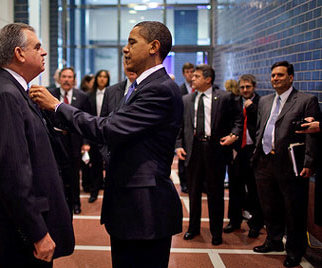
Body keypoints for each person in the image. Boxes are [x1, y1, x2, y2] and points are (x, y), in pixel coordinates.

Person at [30, 21, 183, 268]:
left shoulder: (160, 89)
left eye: (132, 42)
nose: (125, 49)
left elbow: (108, 128)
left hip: (145, 210)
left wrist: (57, 106)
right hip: (129, 207)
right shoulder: (141, 87)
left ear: (154, 47)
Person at [0, 23, 74, 267]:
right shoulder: (6, 95)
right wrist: (38, 233)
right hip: (18, 241)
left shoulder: (14, 91)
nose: (44, 53)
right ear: (19, 53)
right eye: (38, 47)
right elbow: (13, 174)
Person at [252, 61, 320, 267]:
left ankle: (294, 250)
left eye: (280, 75)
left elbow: (312, 136)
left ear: (291, 77)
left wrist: (309, 162)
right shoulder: (264, 101)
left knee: (293, 209)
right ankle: (273, 241)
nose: (275, 79)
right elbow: (259, 129)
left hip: (290, 164)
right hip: (264, 162)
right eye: (273, 75)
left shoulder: (306, 100)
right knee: (269, 207)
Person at [175, 64, 243, 246]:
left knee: (215, 193)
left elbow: (238, 119)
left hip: (215, 150)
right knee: (194, 191)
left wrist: (234, 135)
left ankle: (215, 232)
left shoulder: (225, 97)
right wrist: (179, 145)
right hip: (194, 149)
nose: (192, 79)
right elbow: (181, 126)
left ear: (208, 79)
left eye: (196, 76)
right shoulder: (187, 100)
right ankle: (193, 228)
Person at [223, 74, 264, 238]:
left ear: (254, 87)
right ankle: (234, 221)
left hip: (253, 150)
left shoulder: (262, 102)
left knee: (254, 190)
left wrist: (252, 108)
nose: (245, 90)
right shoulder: (233, 102)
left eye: (248, 87)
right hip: (237, 151)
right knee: (235, 188)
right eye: (242, 87)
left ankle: (256, 224)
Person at [48, 67, 91, 214]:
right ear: (59, 79)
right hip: (56, 141)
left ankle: (75, 204)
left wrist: (86, 142)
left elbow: (87, 121)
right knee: (57, 174)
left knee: (73, 174)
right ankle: (60, 205)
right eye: (64, 77)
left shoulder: (82, 97)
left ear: (74, 80)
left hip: (74, 142)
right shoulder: (50, 94)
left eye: (70, 77)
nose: (67, 80)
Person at [86, 69, 111, 203]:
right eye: (100, 76)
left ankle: (109, 192)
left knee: (108, 164)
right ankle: (94, 191)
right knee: (95, 164)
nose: (102, 79)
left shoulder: (112, 94)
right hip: (93, 134)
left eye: (105, 77)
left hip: (107, 134)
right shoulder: (89, 95)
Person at [178, 62, 195, 194]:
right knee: (183, 157)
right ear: (184, 74)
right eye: (187, 72)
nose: (190, 74)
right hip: (184, 127)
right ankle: (184, 183)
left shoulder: (199, 88)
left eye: (192, 71)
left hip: (197, 127)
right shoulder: (180, 90)